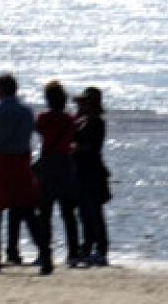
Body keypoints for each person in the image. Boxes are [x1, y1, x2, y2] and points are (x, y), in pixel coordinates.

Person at [0, 73, 53, 275]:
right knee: (28, 212)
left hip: (1, 163)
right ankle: (46, 255)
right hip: (21, 163)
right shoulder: (27, 112)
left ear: (0, 90)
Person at [30, 81, 80, 268]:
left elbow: (38, 130)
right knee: (68, 213)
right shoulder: (69, 119)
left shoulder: (43, 118)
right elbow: (73, 134)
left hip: (48, 163)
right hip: (65, 163)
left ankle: (45, 252)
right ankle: (73, 252)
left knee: (45, 212)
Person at [72, 86, 111, 268]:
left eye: (84, 102)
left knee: (93, 211)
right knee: (84, 212)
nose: (81, 105)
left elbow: (91, 147)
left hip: (91, 170)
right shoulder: (82, 120)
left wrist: (73, 148)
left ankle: (100, 249)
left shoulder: (96, 122)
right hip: (81, 170)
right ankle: (87, 247)